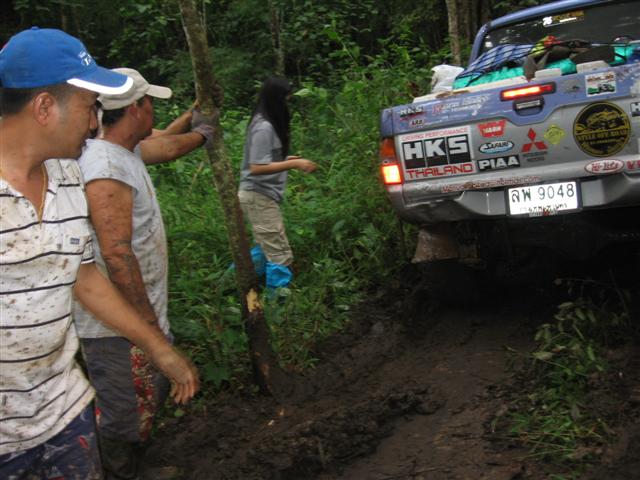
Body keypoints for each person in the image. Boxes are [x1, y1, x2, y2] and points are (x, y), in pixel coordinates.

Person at [0, 28, 199, 480]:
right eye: (89, 108)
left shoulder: (68, 175)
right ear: (45, 108)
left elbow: (85, 276)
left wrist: (157, 347)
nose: (95, 124)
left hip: (64, 413)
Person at [72, 67, 215, 479]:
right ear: (136, 109)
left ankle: (135, 468)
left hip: (133, 315)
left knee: (143, 400)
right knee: (124, 412)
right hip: (118, 325)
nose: (153, 110)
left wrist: (195, 121)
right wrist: (149, 326)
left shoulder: (121, 151)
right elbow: (116, 254)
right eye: (150, 102)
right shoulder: (105, 166)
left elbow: (166, 145)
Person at [238, 76, 317, 289]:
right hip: (258, 195)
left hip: (258, 195)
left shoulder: (265, 122)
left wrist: (286, 159)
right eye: (286, 99)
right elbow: (256, 167)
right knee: (279, 253)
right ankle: (278, 302)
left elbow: (265, 159)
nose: (287, 104)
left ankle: (234, 286)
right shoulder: (263, 127)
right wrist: (294, 164)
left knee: (265, 247)